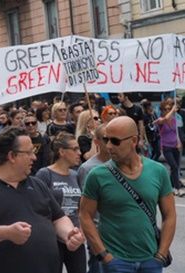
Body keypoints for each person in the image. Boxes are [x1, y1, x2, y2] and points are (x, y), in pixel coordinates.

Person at [0, 127, 85, 273]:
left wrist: (69, 234)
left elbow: (58, 217)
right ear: (12, 156)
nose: (34, 157)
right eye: (29, 152)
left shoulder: (37, 184)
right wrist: (6, 233)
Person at [79, 116, 176, 273]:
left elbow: (170, 214)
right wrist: (104, 254)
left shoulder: (158, 171)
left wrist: (161, 254)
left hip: (150, 260)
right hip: (116, 261)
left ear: (133, 141)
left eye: (115, 141)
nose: (109, 146)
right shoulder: (97, 175)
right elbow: (85, 215)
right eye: (106, 140)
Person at [36, 132, 85, 273]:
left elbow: (81, 206)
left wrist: (81, 230)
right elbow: (39, 206)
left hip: (74, 236)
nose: (79, 153)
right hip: (52, 239)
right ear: (62, 152)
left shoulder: (76, 175)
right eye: (75, 149)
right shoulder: (45, 174)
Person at [77, 124, 110, 273]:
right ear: (97, 142)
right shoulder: (88, 169)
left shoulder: (126, 164)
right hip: (100, 234)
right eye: (106, 139)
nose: (111, 143)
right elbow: (86, 208)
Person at [153, 100, 185, 196]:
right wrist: (173, 110)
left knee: (175, 168)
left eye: (169, 109)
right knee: (174, 166)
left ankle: (172, 186)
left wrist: (179, 143)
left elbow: (177, 133)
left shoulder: (175, 120)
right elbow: (166, 118)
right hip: (166, 147)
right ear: (162, 110)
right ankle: (177, 188)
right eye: (165, 109)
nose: (167, 111)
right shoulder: (160, 120)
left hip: (175, 146)